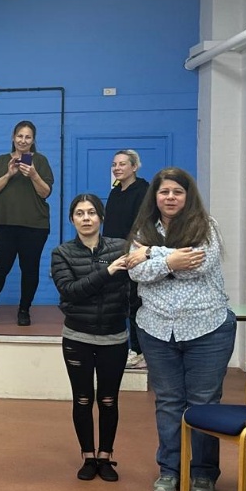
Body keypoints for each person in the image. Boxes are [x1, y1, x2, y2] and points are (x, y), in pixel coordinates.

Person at [125, 167, 235, 491]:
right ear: (155, 197)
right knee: (169, 401)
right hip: (156, 329)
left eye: (177, 192)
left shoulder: (205, 226)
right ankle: (169, 470)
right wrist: (171, 261)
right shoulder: (143, 229)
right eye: (164, 192)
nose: (170, 197)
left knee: (203, 402)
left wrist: (152, 254)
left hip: (207, 328)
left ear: (188, 196)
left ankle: (202, 473)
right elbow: (135, 272)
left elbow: (197, 265)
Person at [50, 193, 132, 483]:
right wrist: (107, 272)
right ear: (72, 220)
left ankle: (105, 456)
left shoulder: (121, 248)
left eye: (91, 212)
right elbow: (70, 291)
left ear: (101, 217)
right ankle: (88, 456)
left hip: (114, 337)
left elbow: (133, 285)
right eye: (80, 213)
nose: (86, 218)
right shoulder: (61, 253)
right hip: (77, 337)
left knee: (108, 399)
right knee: (83, 399)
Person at [0, 120, 54, 327]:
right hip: (5, 225)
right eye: (20, 136)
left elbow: (45, 192)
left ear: (33, 140)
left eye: (27, 137)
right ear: (13, 138)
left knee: (29, 269)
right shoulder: (2, 160)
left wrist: (33, 174)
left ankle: (24, 310)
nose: (23, 140)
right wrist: (9, 174)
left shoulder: (40, 161)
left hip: (35, 226)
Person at [103, 149, 149, 368]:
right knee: (118, 302)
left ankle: (139, 351)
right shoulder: (115, 192)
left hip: (133, 254)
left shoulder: (143, 191)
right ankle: (122, 347)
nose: (117, 168)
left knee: (135, 303)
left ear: (134, 166)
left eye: (122, 164)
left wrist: (132, 251)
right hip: (114, 254)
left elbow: (142, 225)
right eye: (114, 164)